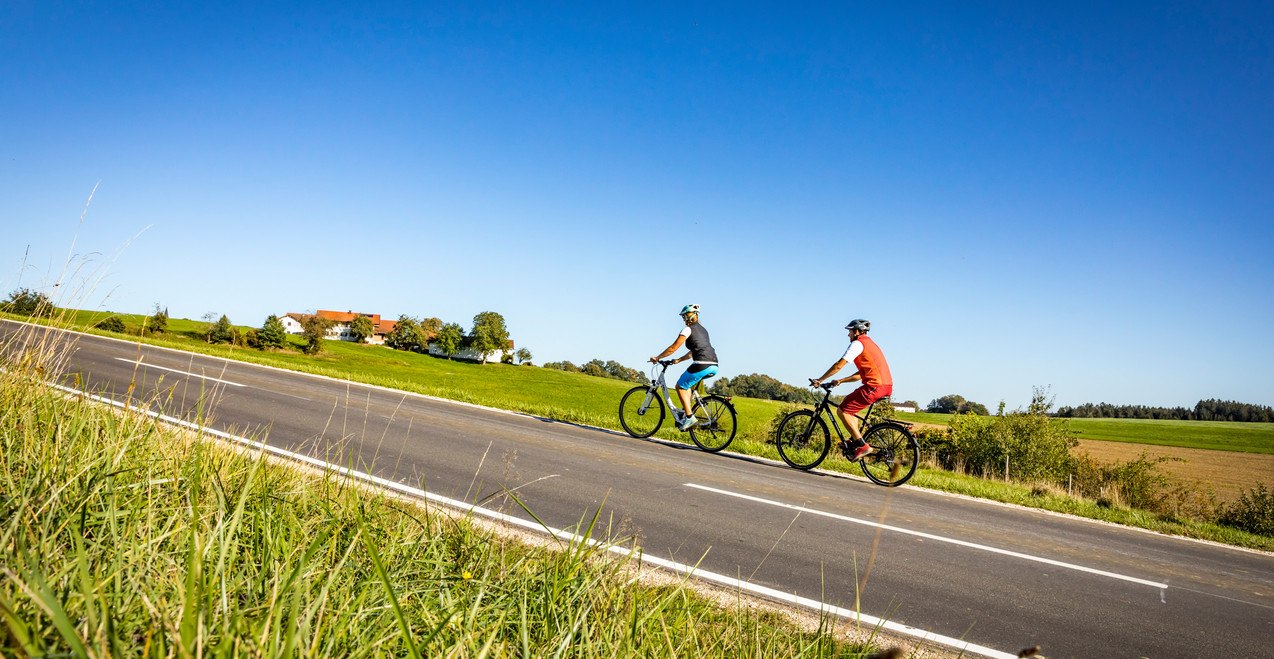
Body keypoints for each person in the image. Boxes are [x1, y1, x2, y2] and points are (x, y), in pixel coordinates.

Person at [810, 319, 893, 459]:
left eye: (849, 331)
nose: (848, 334)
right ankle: (855, 441)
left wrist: (820, 380)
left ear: (856, 331)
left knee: (843, 410)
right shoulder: (871, 344)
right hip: (884, 386)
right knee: (850, 409)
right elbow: (861, 374)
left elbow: (838, 365)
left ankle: (862, 445)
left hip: (874, 386)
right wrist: (841, 381)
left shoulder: (857, 344)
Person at [650, 304, 719, 431]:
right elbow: (694, 351)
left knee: (680, 386)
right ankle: (688, 412)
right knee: (687, 386)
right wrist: (679, 360)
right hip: (713, 364)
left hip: (702, 363)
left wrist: (658, 357)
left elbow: (673, 348)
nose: (683, 319)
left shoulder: (687, 329)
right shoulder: (704, 330)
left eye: (685, 315)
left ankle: (689, 417)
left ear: (692, 315)